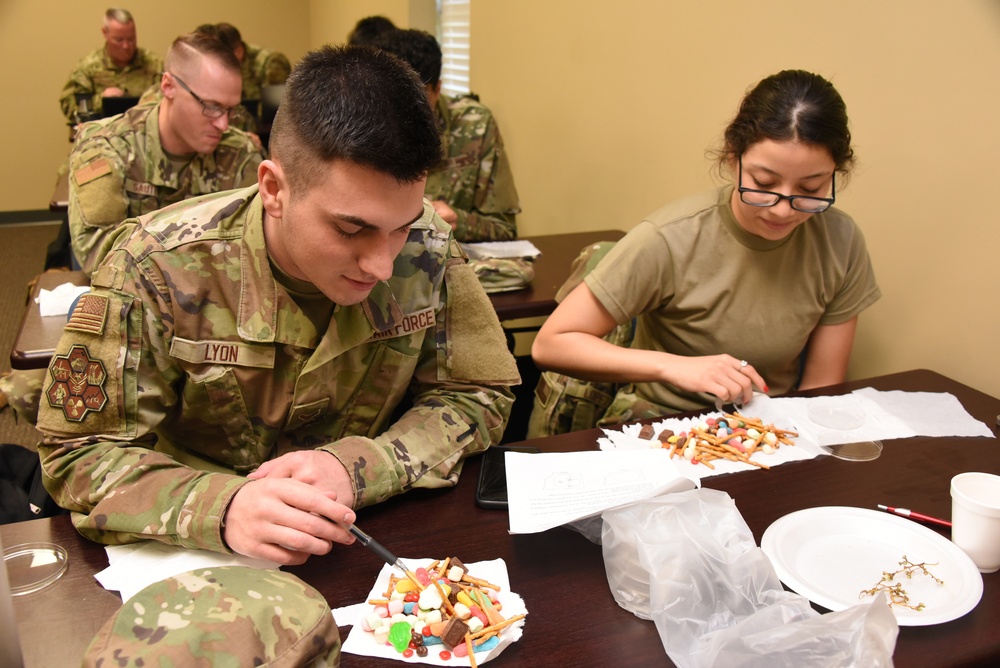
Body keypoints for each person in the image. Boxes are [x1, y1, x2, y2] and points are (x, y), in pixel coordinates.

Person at [35, 45, 520, 567]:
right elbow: (77, 452)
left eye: (401, 227)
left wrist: (363, 466)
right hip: (197, 564)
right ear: (273, 189)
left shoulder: (428, 249)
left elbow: (478, 393)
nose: (382, 265)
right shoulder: (158, 265)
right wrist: (220, 508)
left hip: (366, 544)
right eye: (351, 229)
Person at [530, 70, 881, 432]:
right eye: (764, 183)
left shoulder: (840, 240)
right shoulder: (670, 237)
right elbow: (551, 344)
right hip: (664, 422)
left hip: (771, 425)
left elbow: (820, 390)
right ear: (733, 158)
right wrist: (674, 366)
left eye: (810, 188)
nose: (783, 209)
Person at [68, 31, 264, 274]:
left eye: (231, 109)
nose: (223, 124)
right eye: (212, 107)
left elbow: (259, 247)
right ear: (168, 86)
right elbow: (99, 253)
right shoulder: (106, 145)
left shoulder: (239, 152)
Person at [373, 29, 520, 242]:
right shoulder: (358, 127)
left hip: (449, 263)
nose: (402, 112)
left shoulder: (475, 127)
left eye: (416, 100)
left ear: (437, 89)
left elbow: (504, 228)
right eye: (392, 99)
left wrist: (457, 220)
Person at [59, 8, 163, 124]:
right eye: (119, 40)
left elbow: (169, 101)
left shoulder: (154, 64)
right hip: (100, 136)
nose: (126, 46)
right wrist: (101, 100)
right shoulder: (88, 67)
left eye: (131, 39)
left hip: (144, 134)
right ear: (105, 33)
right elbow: (68, 104)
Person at [207, 22, 291, 103]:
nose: (221, 60)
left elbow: (276, 109)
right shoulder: (225, 67)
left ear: (238, 50)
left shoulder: (270, 62)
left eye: (223, 55)